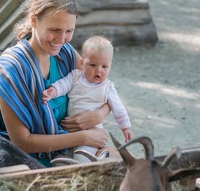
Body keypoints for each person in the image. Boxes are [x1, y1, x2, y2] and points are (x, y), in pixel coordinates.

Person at [0, 0, 113, 167]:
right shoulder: (11, 70)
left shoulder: (66, 54)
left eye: (69, 31)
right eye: (55, 30)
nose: (61, 39)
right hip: (26, 161)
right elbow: (21, 142)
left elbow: (104, 85)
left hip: (72, 150)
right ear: (33, 21)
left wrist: (99, 115)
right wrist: (84, 136)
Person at [42, 36, 132, 164]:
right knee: (58, 161)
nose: (99, 70)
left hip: (92, 133)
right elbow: (63, 84)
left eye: (105, 67)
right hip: (69, 133)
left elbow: (119, 109)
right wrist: (52, 92)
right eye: (93, 65)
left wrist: (125, 128)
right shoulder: (76, 76)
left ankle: (88, 166)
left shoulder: (107, 87)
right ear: (82, 62)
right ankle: (82, 166)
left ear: (110, 66)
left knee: (81, 157)